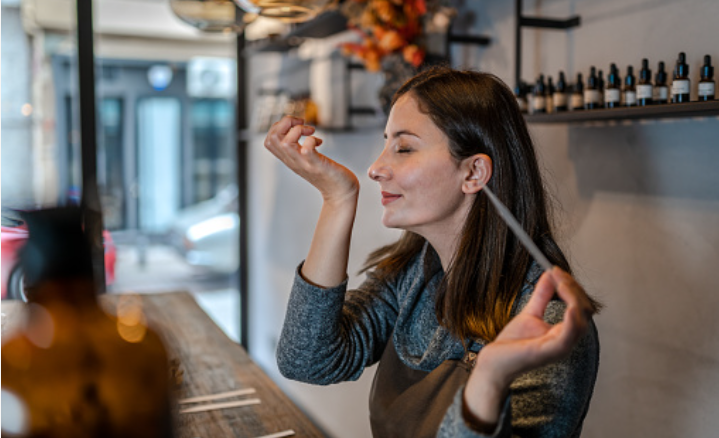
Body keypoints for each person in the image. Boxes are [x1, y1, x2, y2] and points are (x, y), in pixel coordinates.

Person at [265, 67, 600, 437]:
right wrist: (337, 198)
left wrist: (488, 380)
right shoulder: (412, 275)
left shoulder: (545, 322)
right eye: (386, 142)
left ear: (474, 173)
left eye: (404, 148)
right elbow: (308, 360)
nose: (376, 168)